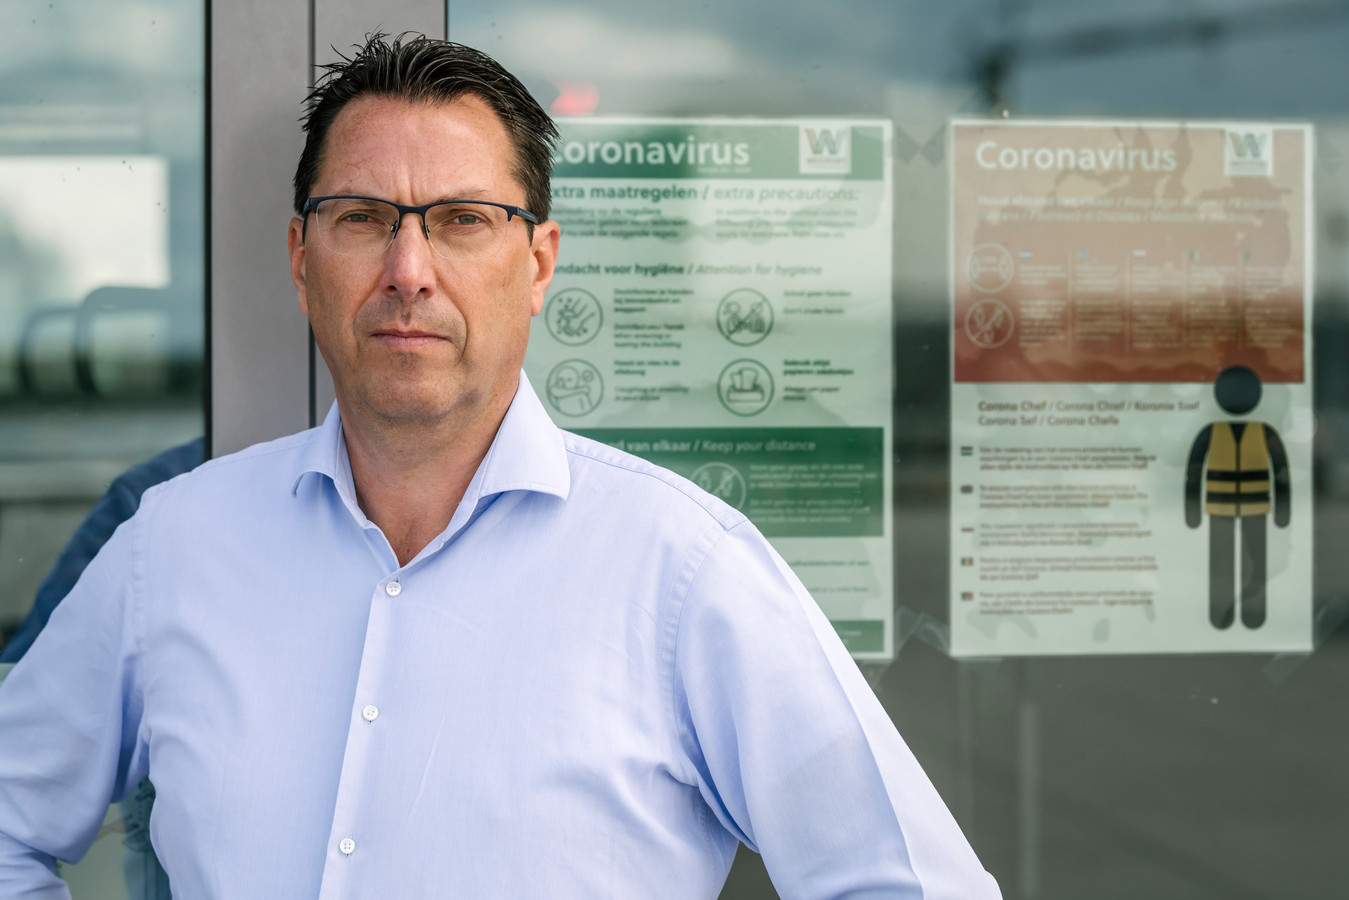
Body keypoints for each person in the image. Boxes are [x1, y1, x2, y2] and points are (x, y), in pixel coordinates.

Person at [0, 34, 1000, 898]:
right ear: (302, 260)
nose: (408, 270)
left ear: (537, 264)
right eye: (362, 218)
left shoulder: (682, 571)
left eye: (462, 219)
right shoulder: (176, 545)